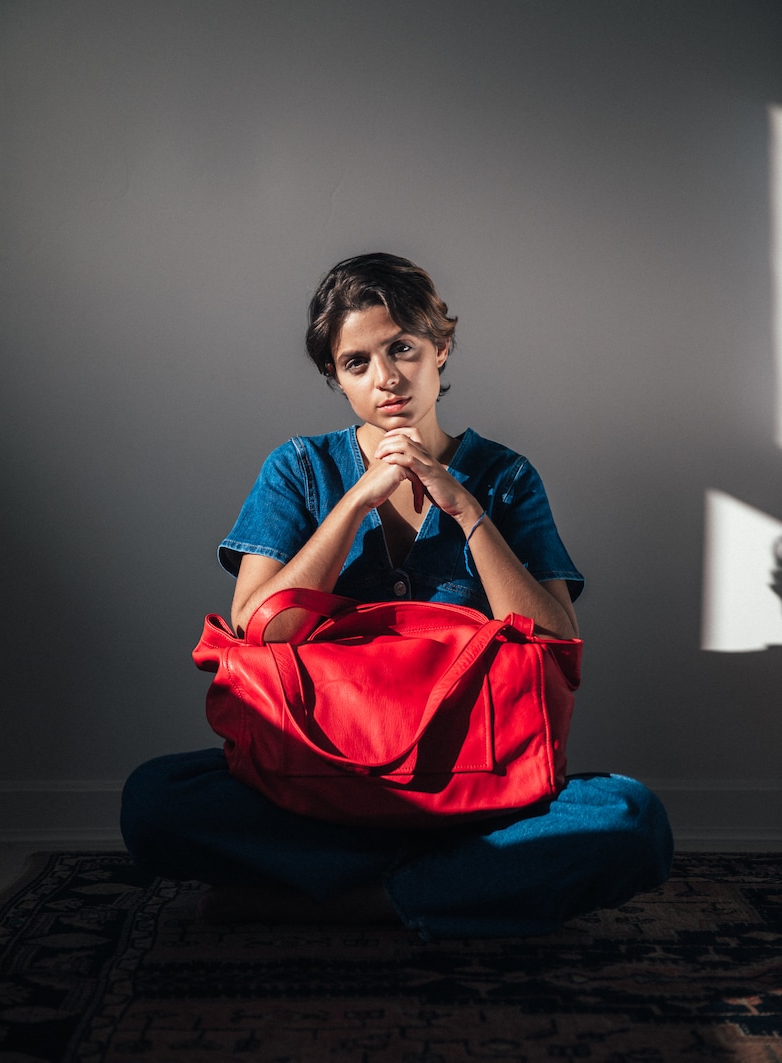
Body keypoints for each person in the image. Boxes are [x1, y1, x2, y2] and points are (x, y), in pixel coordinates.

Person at [121, 253, 673, 939]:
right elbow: (261, 628)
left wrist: (463, 504)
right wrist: (356, 500)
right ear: (335, 377)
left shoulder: (504, 477)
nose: (385, 378)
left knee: (631, 817)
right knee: (152, 801)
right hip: (320, 780)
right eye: (356, 363)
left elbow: (556, 635)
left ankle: (352, 898)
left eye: (402, 348)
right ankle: (449, 881)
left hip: (476, 786)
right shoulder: (300, 468)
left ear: (441, 347)